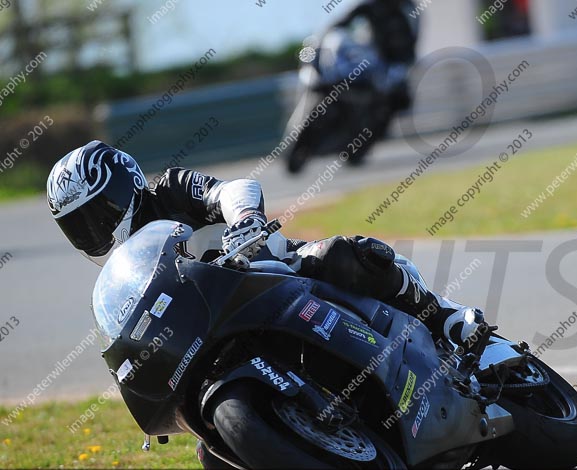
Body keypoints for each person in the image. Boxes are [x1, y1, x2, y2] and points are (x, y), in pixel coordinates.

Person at [46, 140, 485, 348]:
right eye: (78, 226)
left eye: (96, 214)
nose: (92, 232)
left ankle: (442, 316)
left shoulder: (171, 190)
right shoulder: (120, 276)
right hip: (220, 332)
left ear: (124, 187)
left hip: (278, 277)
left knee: (342, 256)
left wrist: (245, 220)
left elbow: (234, 189)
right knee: (215, 457)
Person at [332, 0, 418, 112]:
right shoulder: (369, 6)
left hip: (400, 63)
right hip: (379, 62)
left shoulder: (406, 7)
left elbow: (414, 33)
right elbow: (341, 23)